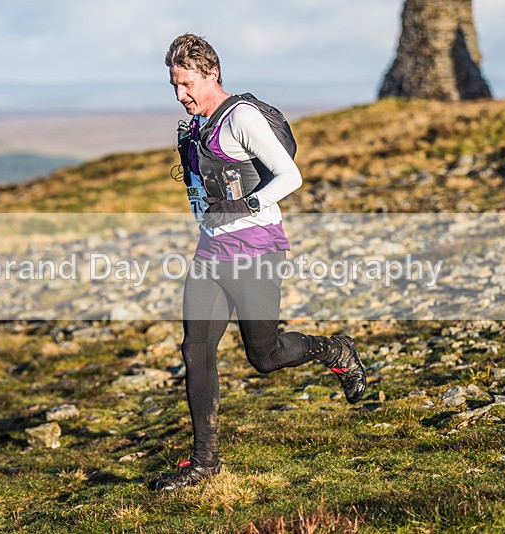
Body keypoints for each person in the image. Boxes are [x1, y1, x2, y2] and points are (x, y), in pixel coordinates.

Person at [154, 33, 367, 491]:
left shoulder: (242, 118)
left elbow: (290, 176)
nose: (180, 95)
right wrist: (208, 219)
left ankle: (335, 351)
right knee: (196, 351)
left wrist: (245, 207)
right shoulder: (193, 126)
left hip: (255, 250)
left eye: (187, 84)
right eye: (174, 85)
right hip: (210, 252)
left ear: (212, 74)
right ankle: (205, 464)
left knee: (264, 356)